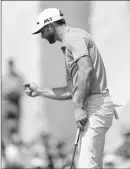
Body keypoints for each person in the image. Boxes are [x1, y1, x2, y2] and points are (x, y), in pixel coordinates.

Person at [24, 8, 118, 168]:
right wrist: (40, 91)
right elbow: (71, 90)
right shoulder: (70, 43)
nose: (42, 36)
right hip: (95, 106)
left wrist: (79, 107)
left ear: (50, 26)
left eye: (42, 31)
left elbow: (86, 69)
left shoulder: (73, 37)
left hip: (96, 105)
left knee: (86, 166)